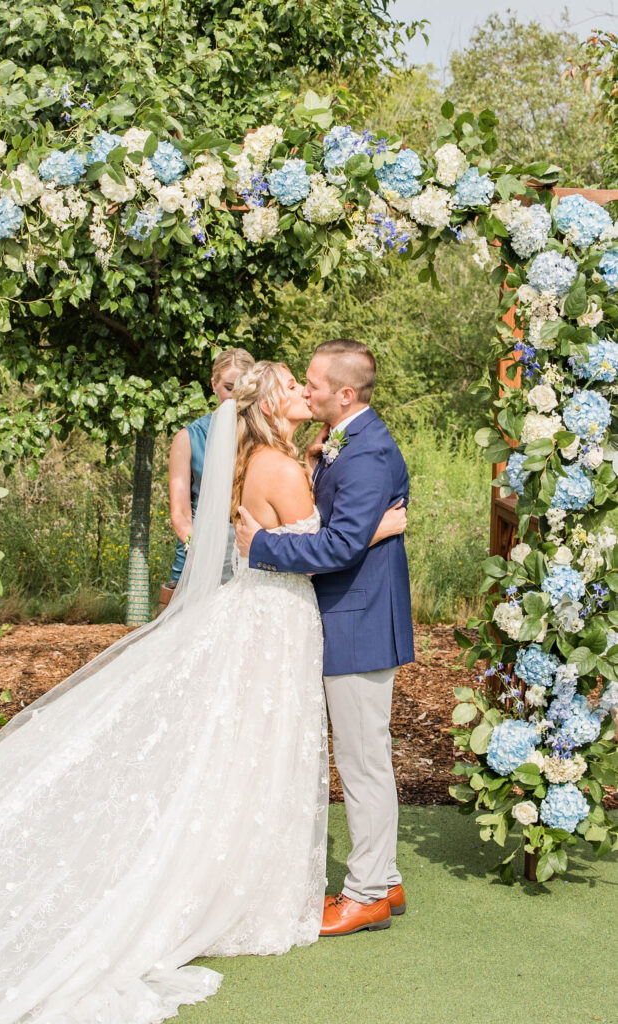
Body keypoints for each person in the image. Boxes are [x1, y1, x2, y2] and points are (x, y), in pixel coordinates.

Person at [0, 360, 405, 1024]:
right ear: (272, 402)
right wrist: (379, 528)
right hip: (276, 617)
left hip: (272, 615)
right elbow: (326, 544)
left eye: (310, 385)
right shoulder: (280, 464)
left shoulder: (264, 453)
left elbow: (299, 535)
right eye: (295, 387)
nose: (305, 392)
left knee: (248, 745)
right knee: (258, 748)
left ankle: (313, 873)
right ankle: (252, 881)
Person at [236, 339, 414, 938]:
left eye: (311, 383)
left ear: (343, 393)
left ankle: (364, 894)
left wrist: (260, 545)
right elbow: (352, 527)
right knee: (366, 760)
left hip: (358, 622)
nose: (306, 392)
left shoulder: (363, 454)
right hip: (350, 617)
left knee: (363, 764)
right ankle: (383, 877)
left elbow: (337, 545)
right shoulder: (346, 444)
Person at [158, 347, 254, 613]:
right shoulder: (188, 439)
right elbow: (180, 513)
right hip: (199, 556)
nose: (235, 397)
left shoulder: (261, 439)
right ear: (213, 384)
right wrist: (202, 550)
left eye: (243, 389)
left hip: (250, 558)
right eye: (228, 388)